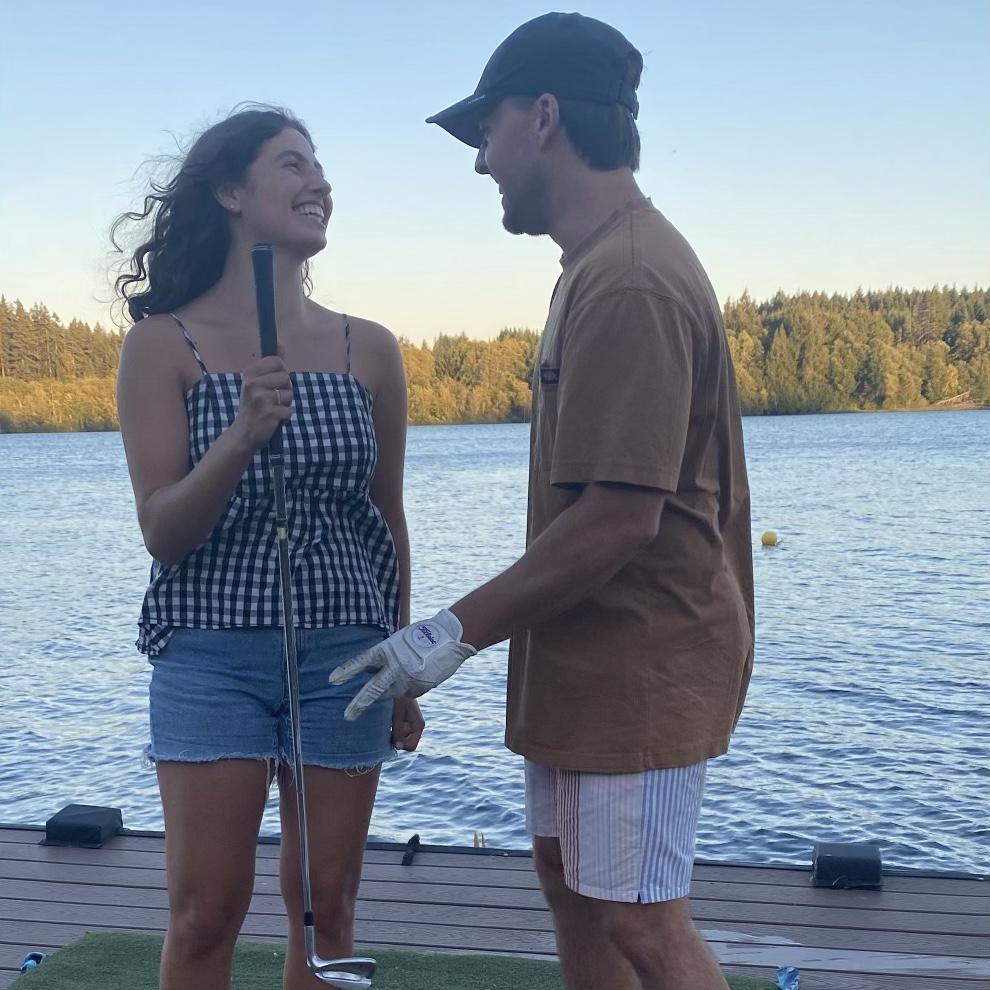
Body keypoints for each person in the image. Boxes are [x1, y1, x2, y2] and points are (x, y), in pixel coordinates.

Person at [332, 14, 755, 990]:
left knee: (641, 920)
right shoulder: (589, 270)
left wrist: (442, 636)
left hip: (640, 663)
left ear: (547, 117)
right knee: (571, 882)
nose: (481, 162)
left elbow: (620, 520)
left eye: (486, 130)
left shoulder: (633, 281)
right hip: (579, 663)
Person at [113, 105, 423, 990]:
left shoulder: (371, 349)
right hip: (210, 653)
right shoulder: (160, 345)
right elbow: (163, 533)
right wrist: (241, 435)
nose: (317, 181)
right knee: (206, 911)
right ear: (230, 192)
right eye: (292, 165)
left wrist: (402, 662)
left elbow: (387, 519)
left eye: (319, 166)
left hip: (347, 654)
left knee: (326, 906)